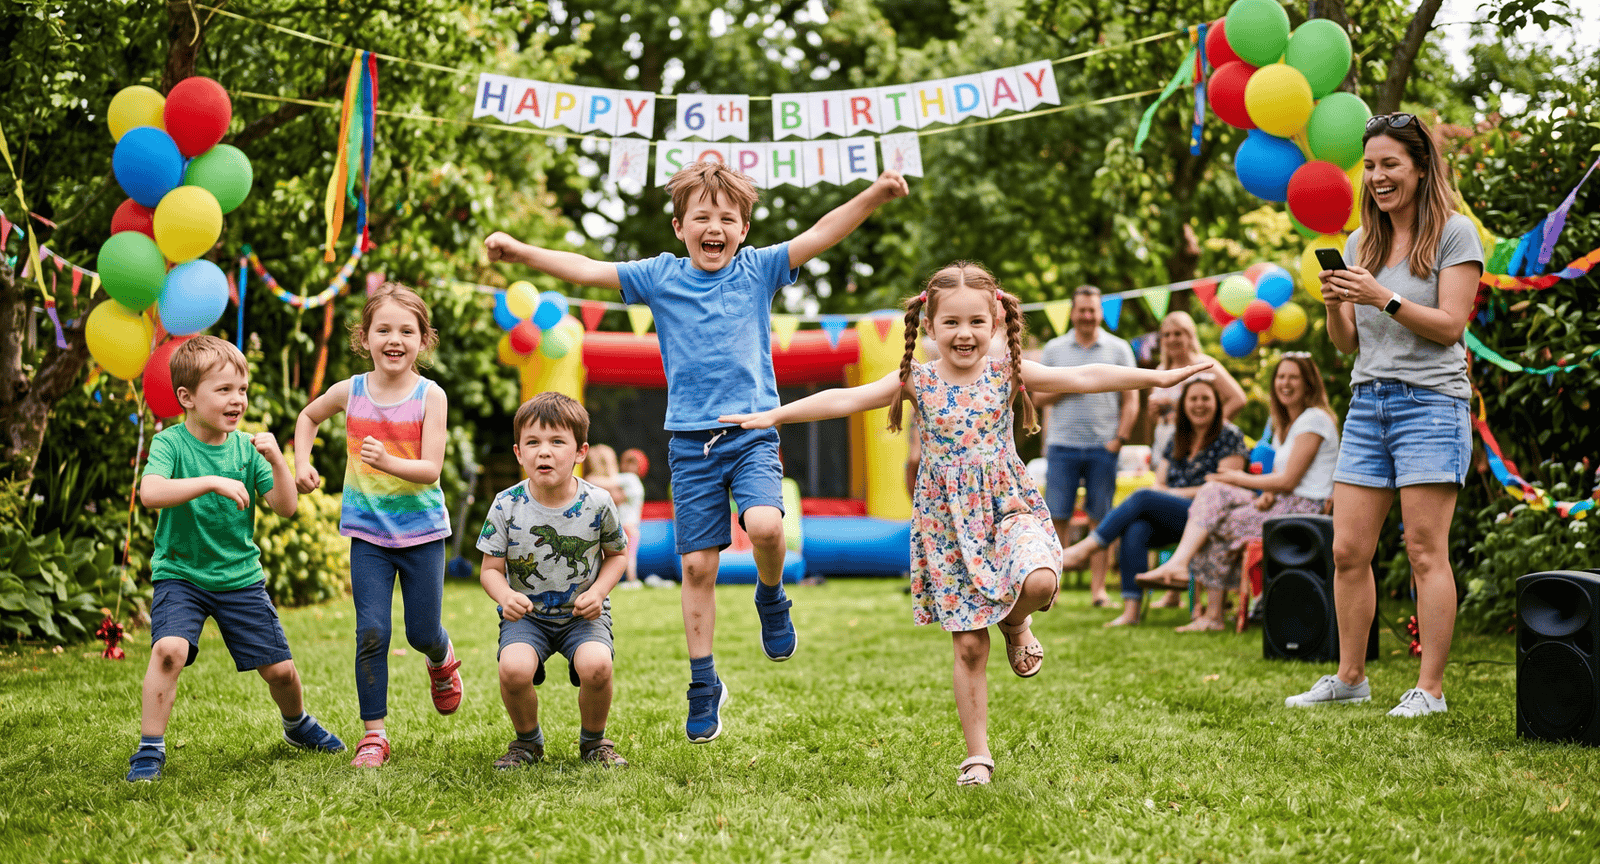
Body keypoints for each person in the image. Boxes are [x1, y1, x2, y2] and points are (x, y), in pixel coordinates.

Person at [719, 262, 1213, 786]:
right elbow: (844, 399)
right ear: (929, 327)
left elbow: (1087, 377)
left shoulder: (1008, 373)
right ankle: (978, 755)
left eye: (976, 322)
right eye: (951, 322)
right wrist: (774, 415)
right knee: (970, 644)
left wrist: (1156, 375)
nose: (964, 333)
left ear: (995, 324)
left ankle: (1016, 621)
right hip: (947, 524)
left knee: (1042, 578)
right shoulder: (919, 380)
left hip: (1006, 505)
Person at [484, 160, 908, 743]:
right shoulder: (661, 276)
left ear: (744, 228)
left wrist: (876, 193)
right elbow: (587, 269)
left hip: (754, 430)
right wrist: (522, 253)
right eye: (702, 217)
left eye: (727, 218)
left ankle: (771, 594)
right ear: (680, 227)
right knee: (697, 565)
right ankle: (704, 682)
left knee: (763, 525)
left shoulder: (759, 270)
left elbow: (820, 234)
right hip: (690, 442)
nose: (715, 227)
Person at [1287, 113, 1483, 717]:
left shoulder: (1455, 235)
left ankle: (1430, 689)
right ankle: (1351, 678)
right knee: (1348, 550)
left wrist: (1383, 296)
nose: (1376, 176)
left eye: (1389, 164)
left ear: (1421, 167)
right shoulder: (1359, 243)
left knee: (1426, 550)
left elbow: (1451, 326)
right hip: (1368, 403)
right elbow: (1348, 344)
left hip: (1431, 403)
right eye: (1369, 165)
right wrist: (1334, 306)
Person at [127, 336, 345, 782]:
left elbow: (285, 506)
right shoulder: (172, 445)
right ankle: (150, 749)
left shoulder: (247, 449)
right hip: (181, 575)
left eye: (241, 389)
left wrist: (278, 461)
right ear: (187, 398)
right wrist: (209, 481)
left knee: (281, 671)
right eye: (224, 390)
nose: (237, 399)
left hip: (240, 578)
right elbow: (150, 493)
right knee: (169, 650)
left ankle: (297, 724)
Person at [293, 284, 462, 768]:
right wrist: (303, 462)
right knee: (371, 631)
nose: (394, 338)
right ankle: (374, 735)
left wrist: (387, 461)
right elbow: (309, 416)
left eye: (406, 330)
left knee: (422, 631)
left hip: (422, 534)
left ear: (423, 339)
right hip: (368, 533)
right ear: (363, 337)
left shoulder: (432, 396)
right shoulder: (352, 391)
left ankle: (441, 657)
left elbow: (430, 468)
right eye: (382, 329)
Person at [1135, 354, 1341, 632]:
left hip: (1305, 509)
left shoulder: (1314, 419)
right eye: (1281, 377)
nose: (1286, 383)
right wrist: (1266, 491)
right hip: (1283, 501)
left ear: (1309, 384)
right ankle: (1192, 585)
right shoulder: (1286, 425)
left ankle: (1209, 609)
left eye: (1294, 377)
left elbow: (1291, 480)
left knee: (1217, 516)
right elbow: (1283, 479)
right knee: (1213, 492)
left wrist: (1240, 479)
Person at [478, 393, 630, 768]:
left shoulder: (598, 502)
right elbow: (490, 569)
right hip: (527, 618)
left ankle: (594, 742)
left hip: (583, 616)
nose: (543, 452)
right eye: (533, 442)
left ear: (580, 452)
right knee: (513, 670)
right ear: (518, 452)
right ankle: (527, 743)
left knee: (597, 666)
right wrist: (504, 596)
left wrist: (598, 592)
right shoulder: (505, 505)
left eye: (556, 442)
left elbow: (618, 555)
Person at [1059, 376, 1249, 627]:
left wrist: (1170, 495)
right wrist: (1164, 494)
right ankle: (1131, 611)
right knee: (1136, 527)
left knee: (1143, 497)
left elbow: (1224, 488)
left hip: (1210, 516)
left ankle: (1088, 547)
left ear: (1217, 403)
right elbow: (1160, 482)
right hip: (1175, 516)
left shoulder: (1230, 436)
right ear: (1184, 405)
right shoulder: (1178, 438)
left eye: (1206, 398)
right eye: (1193, 399)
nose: (1199, 404)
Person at [1035, 286, 1138, 607]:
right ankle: (1055, 589)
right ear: (1072, 311)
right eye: (1082, 310)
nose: (1087, 316)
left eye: (1092, 310)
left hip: (1102, 448)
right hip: (1062, 445)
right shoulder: (1053, 350)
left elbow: (1132, 399)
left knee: (1100, 518)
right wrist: (1072, 383)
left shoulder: (1119, 349)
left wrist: (1118, 440)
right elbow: (1038, 397)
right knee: (1058, 518)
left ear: (1100, 312)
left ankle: (1098, 591)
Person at [1146, 311, 1247, 478]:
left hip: (1196, 446)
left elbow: (1238, 399)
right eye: (1166, 335)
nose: (1172, 339)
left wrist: (1211, 430)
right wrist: (1154, 412)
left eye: (1178, 333)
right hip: (1165, 444)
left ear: (1190, 335)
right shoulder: (1160, 370)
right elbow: (1155, 419)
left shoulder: (1204, 365)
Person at [584, 444, 645, 589]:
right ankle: (626, 580)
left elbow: (614, 491)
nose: (626, 466)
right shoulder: (627, 481)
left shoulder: (630, 480)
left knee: (628, 555)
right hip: (623, 526)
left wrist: (591, 479)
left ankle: (631, 580)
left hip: (627, 526)